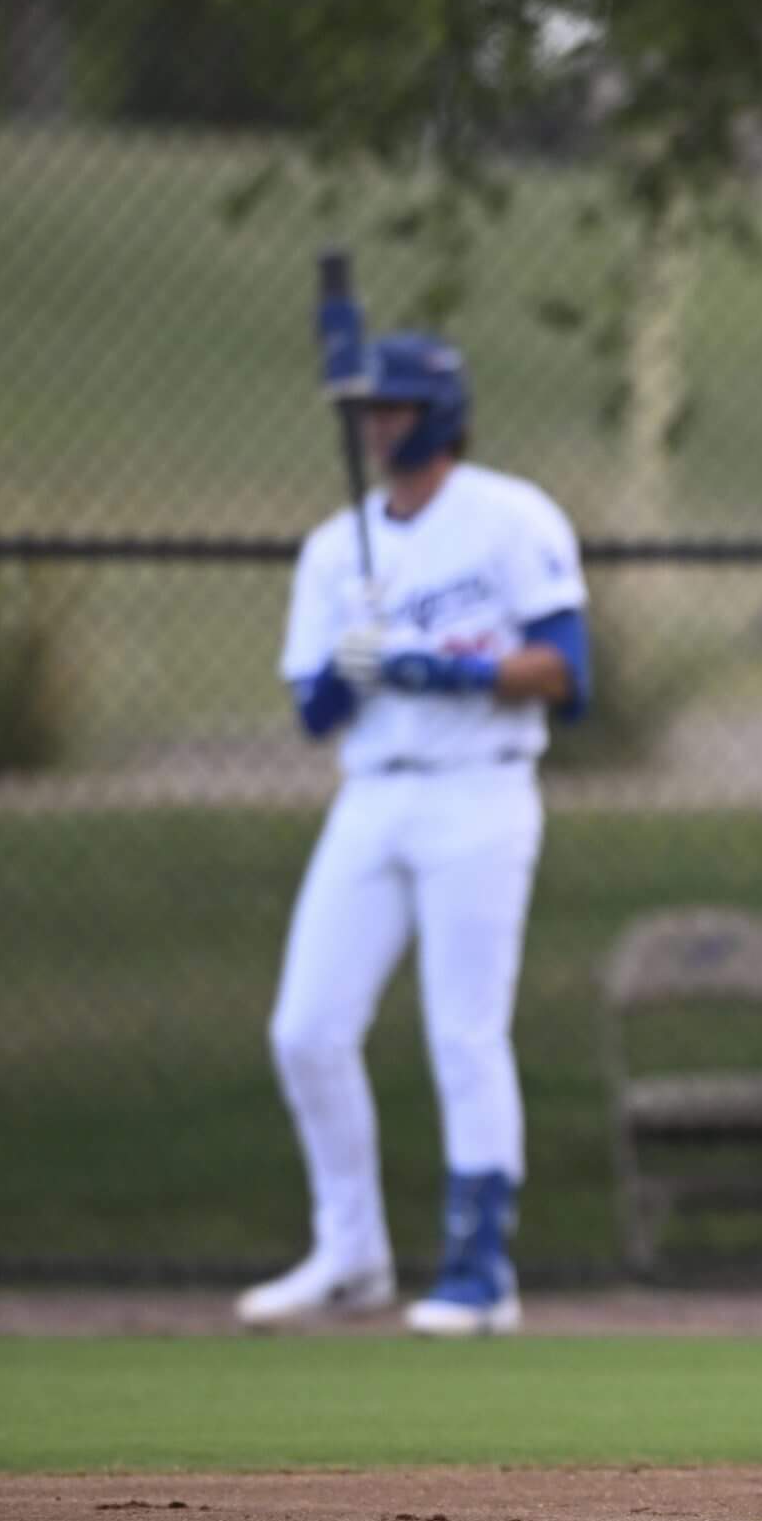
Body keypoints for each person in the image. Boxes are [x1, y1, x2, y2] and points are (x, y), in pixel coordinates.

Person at [236, 333, 590, 1339]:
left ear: (437, 412)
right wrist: (347, 668)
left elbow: (567, 671)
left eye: (393, 409)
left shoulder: (510, 517)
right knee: (305, 1027)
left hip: (480, 788)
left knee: (463, 1031)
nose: (378, 426)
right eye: (367, 412)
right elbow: (312, 715)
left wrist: (449, 669)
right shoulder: (333, 549)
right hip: (372, 791)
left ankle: (481, 1272)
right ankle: (350, 1252)